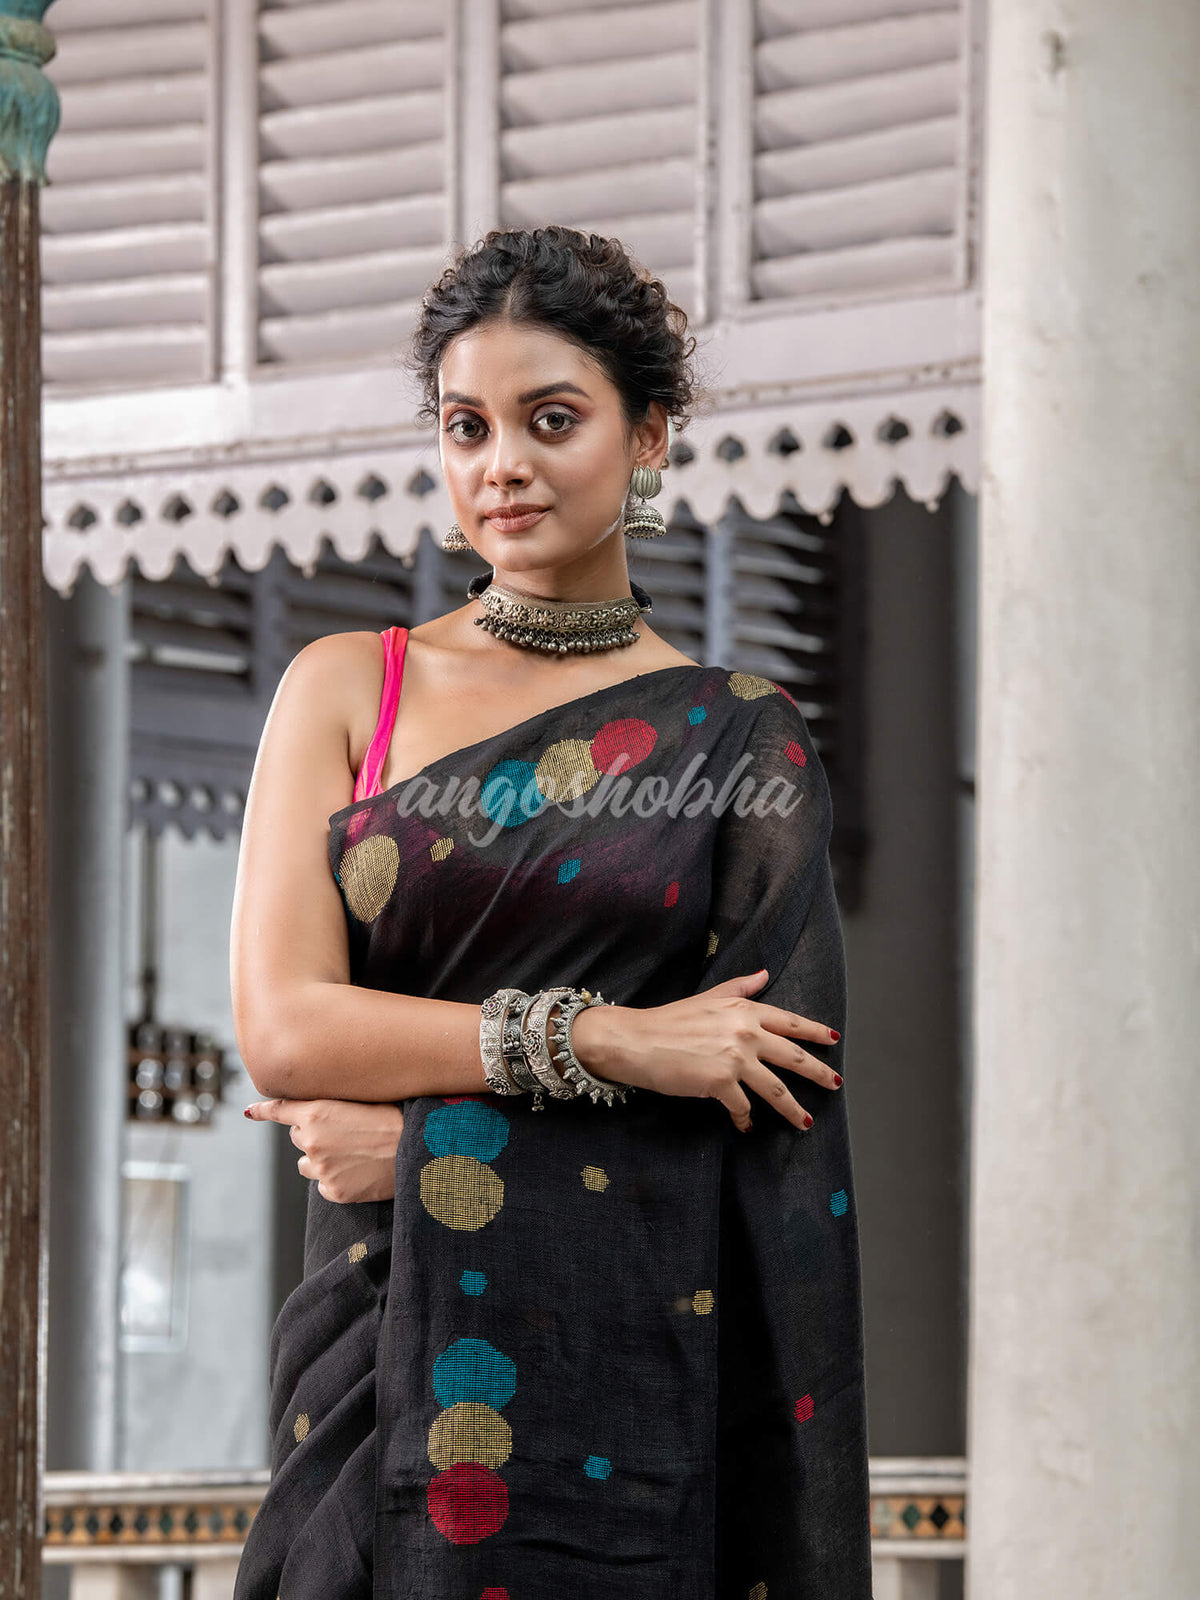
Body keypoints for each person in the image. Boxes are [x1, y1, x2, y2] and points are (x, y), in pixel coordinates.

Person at [229, 225, 872, 1599]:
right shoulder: (350, 686)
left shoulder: (738, 746)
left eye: (552, 419)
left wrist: (423, 1147)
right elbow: (285, 1029)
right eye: (467, 426)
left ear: (649, 437)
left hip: (628, 1414)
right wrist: (611, 1039)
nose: (501, 465)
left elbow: (768, 1139)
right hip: (366, 1362)